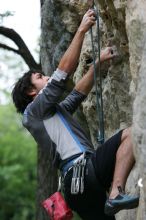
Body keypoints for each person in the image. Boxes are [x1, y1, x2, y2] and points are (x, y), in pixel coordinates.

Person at [12, 9, 139, 220]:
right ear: (31, 92)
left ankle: (113, 198)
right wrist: (81, 30)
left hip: (76, 189)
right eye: (40, 77)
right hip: (82, 174)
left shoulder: (50, 114)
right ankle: (116, 192)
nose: (46, 77)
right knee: (131, 134)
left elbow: (77, 94)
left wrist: (97, 65)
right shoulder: (33, 113)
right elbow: (62, 74)